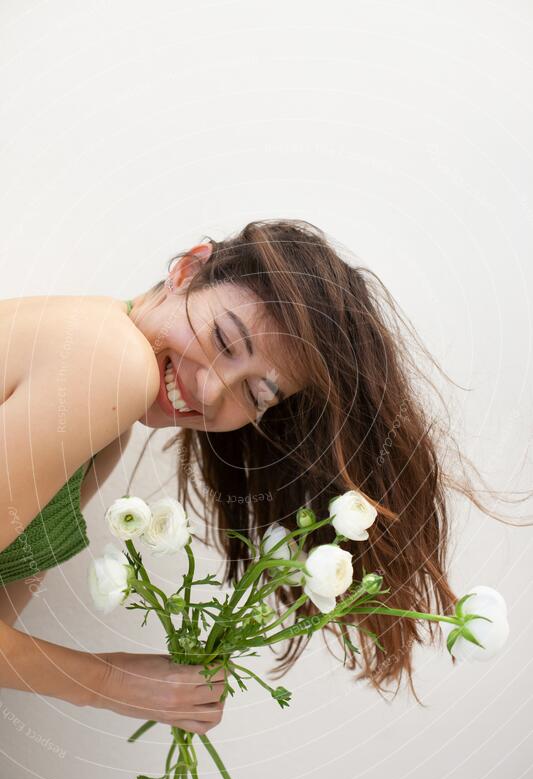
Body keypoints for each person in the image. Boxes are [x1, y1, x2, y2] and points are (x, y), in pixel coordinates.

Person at [0, 219, 523, 728]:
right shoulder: (112, 362)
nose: (210, 392)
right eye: (225, 341)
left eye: (256, 394)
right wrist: (113, 684)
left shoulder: (108, 424)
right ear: (188, 268)